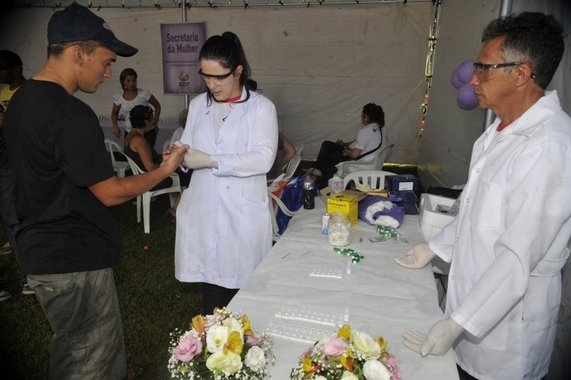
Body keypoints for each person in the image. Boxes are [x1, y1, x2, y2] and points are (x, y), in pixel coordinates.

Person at [3, 3, 187, 379]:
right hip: (72, 258)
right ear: (77, 53)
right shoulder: (72, 115)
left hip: (38, 249)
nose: (109, 72)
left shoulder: (20, 101)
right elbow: (111, 192)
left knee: (74, 346)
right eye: (105, 61)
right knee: (89, 357)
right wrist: (165, 170)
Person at [395, 12, 570, 380]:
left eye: (484, 68)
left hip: (507, 332)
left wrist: (457, 323)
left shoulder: (550, 146)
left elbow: (517, 257)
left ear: (520, 73)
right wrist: (436, 249)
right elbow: (476, 213)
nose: (473, 78)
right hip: (471, 305)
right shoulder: (497, 134)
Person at [174, 32, 278, 315]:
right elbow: (190, 148)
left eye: (219, 77)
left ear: (238, 71)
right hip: (204, 208)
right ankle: (214, 351)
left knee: (245, 291)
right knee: (212, 295)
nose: (212, 84)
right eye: (206, 76)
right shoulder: (198, 106)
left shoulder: (261, 108)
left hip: (242, 214)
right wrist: (179, 156)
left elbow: (263, 158)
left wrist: (211, 160)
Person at [0, 50, 28, 298]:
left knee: (21, 216)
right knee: (11, 217)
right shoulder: (1, 94)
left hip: (22, 162)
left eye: (3, 67)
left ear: (17, 69)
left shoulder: (29, 93)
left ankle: (29, 275)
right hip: (5, 160)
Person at [306, 102, 386, 188]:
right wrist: (346, 146)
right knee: (329, 149)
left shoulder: (365, 131)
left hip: (361, 164)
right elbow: (361, 147)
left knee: (330, 162)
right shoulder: (380, 130)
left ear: (366, 117)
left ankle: (321, 181)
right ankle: (318, 171)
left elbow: (355, 155)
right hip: (369, 163)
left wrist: (347, 152)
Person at [111, 67, 161, 148]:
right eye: (128, 81)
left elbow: (157, 106)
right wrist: (115, 125)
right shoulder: (118, 97)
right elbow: (114, 113)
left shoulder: (144, 94)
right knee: (131, 156)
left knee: (146, 156)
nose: (131, 83)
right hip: (130, 131)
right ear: (123, 82)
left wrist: (155, 123)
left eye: (134, 80)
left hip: (146, 132)